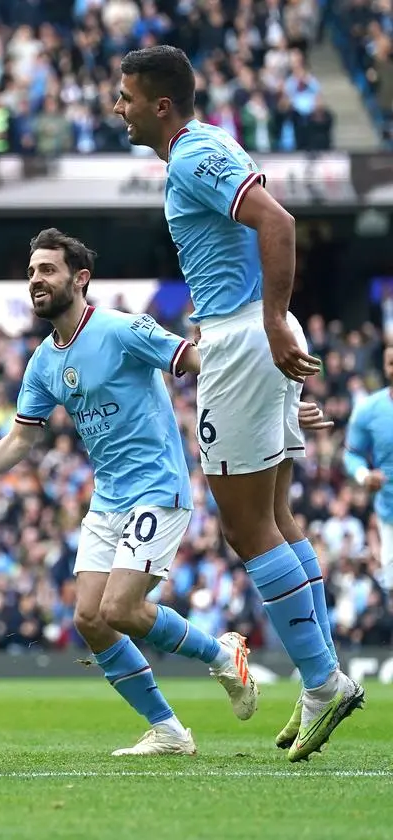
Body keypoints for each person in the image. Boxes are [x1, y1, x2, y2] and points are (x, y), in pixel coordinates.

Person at [0, 229, 333, 756]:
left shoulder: (123, 330)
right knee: (89, 620)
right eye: (31, 272)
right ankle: (169, 730)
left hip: (158, 488)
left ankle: (221, 655)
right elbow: (21, 437)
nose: (36, 280)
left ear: (80, 279)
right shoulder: (42, 362)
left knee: (121, 609)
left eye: (48, 270)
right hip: (108, 499)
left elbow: (202, 363)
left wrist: (277, 402)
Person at [114, 44, 362, 762]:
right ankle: (322, 683)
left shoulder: (193, 154)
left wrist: (275, 321)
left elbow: (278, 223)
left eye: (127, 97)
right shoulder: (201, 151)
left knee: (246, 528)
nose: (118, 108)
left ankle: (323, 678)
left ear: (161, 105)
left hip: (242, 338)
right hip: (248, 334)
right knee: (276, 518)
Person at [344, 344, 393, 590]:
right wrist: (364, 476)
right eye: (391, 362)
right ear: (385, 368)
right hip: (390, 515)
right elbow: (351, 455)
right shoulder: (369, 411)